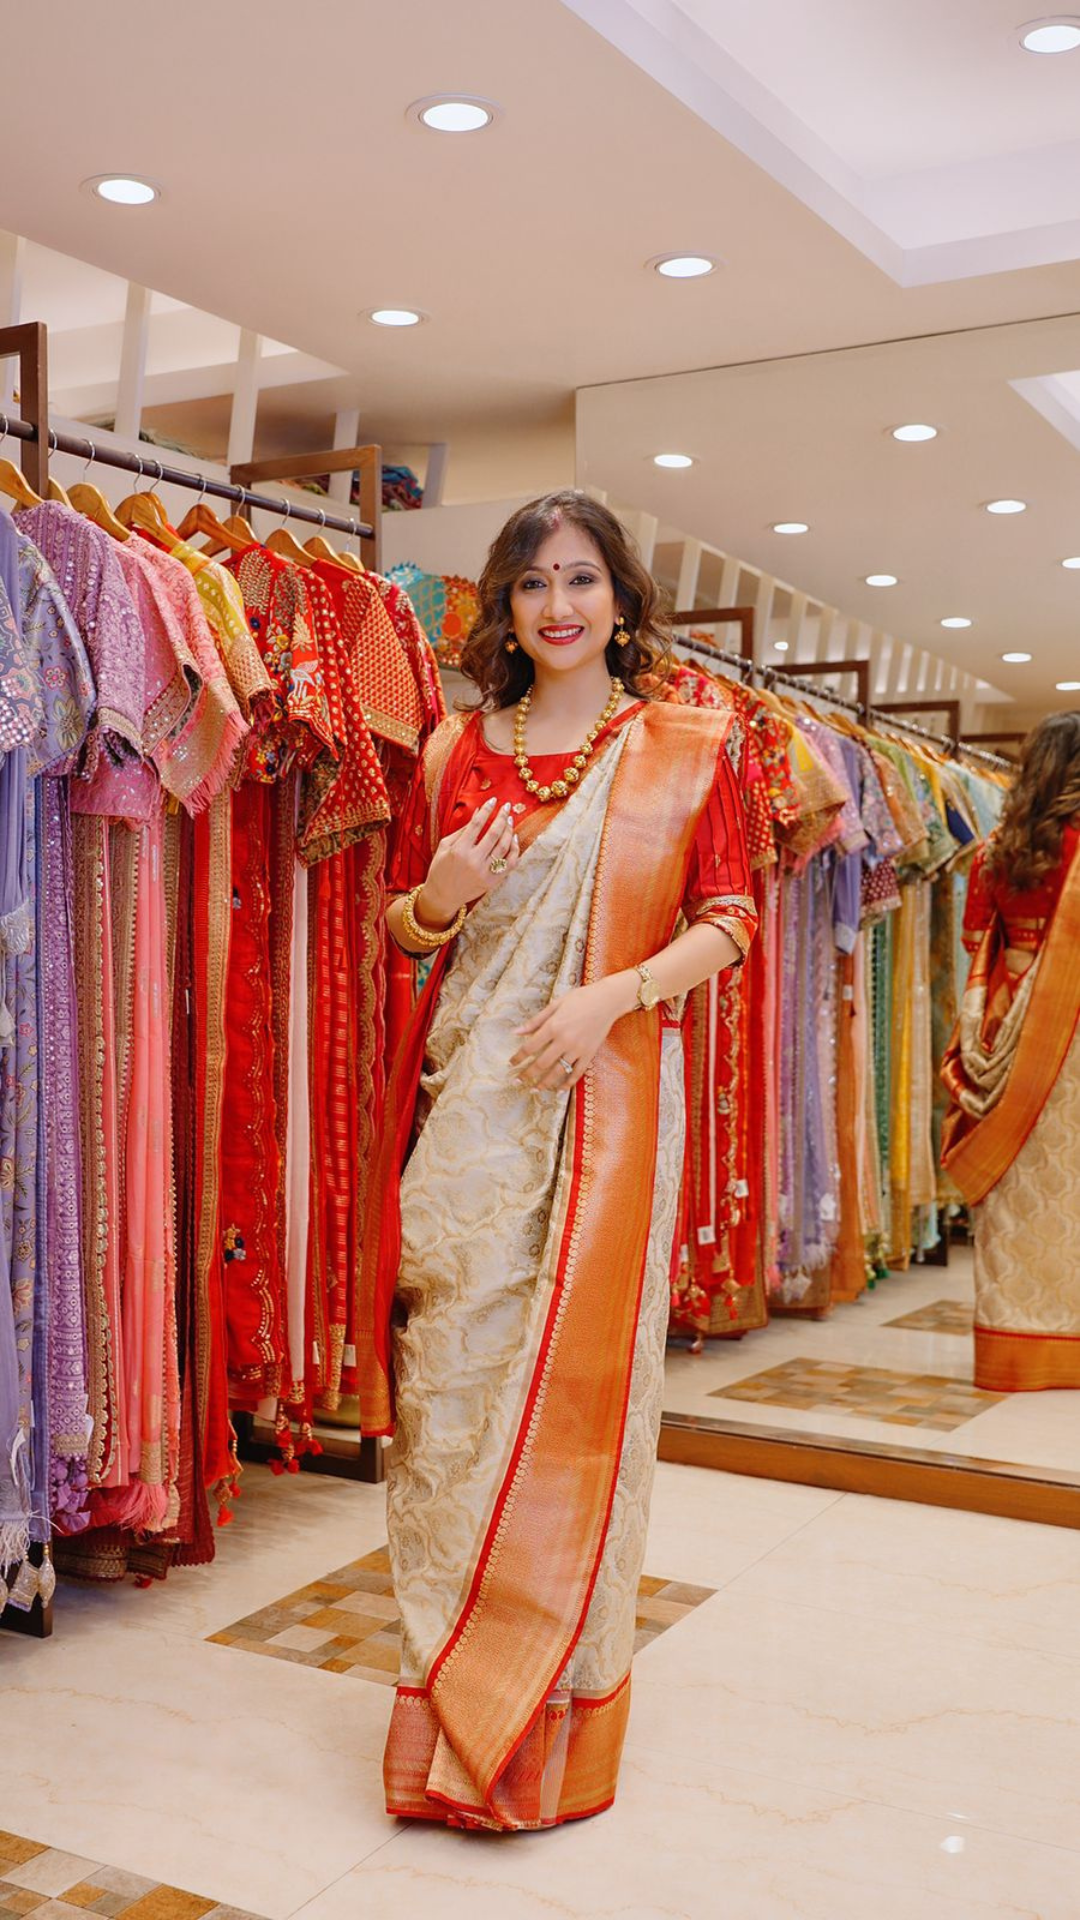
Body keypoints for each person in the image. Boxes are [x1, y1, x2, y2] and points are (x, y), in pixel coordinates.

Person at [357, 490, 756, 1831]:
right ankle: (445, 1696)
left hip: (610, 1109)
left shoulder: (692, 745)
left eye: (581, 577)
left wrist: (613, 997)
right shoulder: (456, 751)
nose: (558, 603)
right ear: (504, 610)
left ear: (623, 599)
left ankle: (544, 1728)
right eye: (531, 583)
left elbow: (734, 921)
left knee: (577, 1406)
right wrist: (443, 901)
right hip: (463, 1124)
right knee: (447, 1403)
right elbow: (405, 938)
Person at [942, 709, 1080, 1391]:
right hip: (1072, 1036)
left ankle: (1013, 1350)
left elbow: (976, 944)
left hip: (1007, 1032)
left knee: (1015, 1195)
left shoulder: (999, 847)